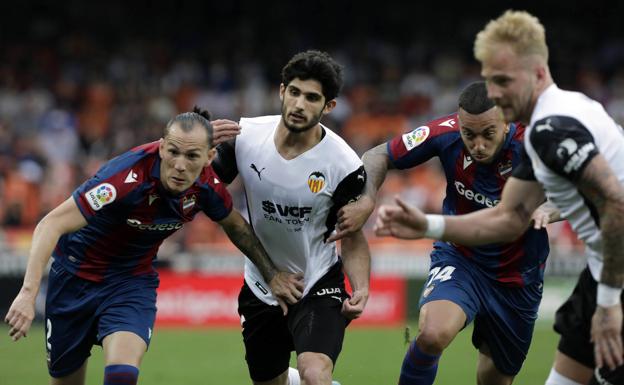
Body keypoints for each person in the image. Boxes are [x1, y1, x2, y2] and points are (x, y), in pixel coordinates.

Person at [374, 10, 624, 385]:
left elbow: (614, 203)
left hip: (558, 277)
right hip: (570, 269)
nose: (495, 92)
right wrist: (425, 223)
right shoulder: (561, 116)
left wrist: (608, 301)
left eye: (504, 81)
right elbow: (511, 216)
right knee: (435, 334)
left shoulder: (548, 130)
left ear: (537, 73)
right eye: (492, 80)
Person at [4, 108, 303, 385]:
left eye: (192, 155)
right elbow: (49, 224)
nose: (180, 166)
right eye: (173, 152)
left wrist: (273, 274)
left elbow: (236, 226)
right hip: (74, 279)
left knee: (122, 375)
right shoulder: (124, 177)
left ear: (209, 157)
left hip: (130, 282)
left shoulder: (206, 186)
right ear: (161, 147)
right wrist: (28, 295)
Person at [330, 81, 554, 385]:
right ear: (458, 124)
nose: (478, 145)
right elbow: (376, 155)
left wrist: (549, 209)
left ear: (506, 122)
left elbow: (585, 188)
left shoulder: (535, 143)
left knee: (494, 380)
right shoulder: (444, 133)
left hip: (518, 275)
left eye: (488, 134)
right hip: (462, 258)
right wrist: (367, 199)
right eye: (469, 134)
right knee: (433, 334)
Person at [210, 50, 371, 385]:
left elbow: (352, 234)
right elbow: (201, 192)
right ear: (281, 91)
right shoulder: (244, 137)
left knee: (315, 373)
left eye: (312, 98)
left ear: (329, 106)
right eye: (294, 92)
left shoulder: (344, 165)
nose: (299, 105)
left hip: (317, 282)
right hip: (260, 284)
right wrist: (196, 145)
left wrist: (362, 286)